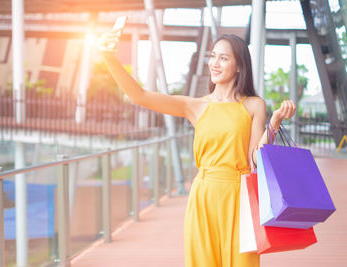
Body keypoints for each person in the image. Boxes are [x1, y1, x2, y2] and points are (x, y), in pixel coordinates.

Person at [98, 28, 296, 267]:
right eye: (213, 56)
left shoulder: (254, 105)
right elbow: (139, 96)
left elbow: (255, 158)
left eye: (223, 58)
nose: (215, 63)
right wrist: (109, 56)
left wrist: (273, 125)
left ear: (239, 66)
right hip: (204, 196)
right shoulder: (196, 106)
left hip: (241, 196)